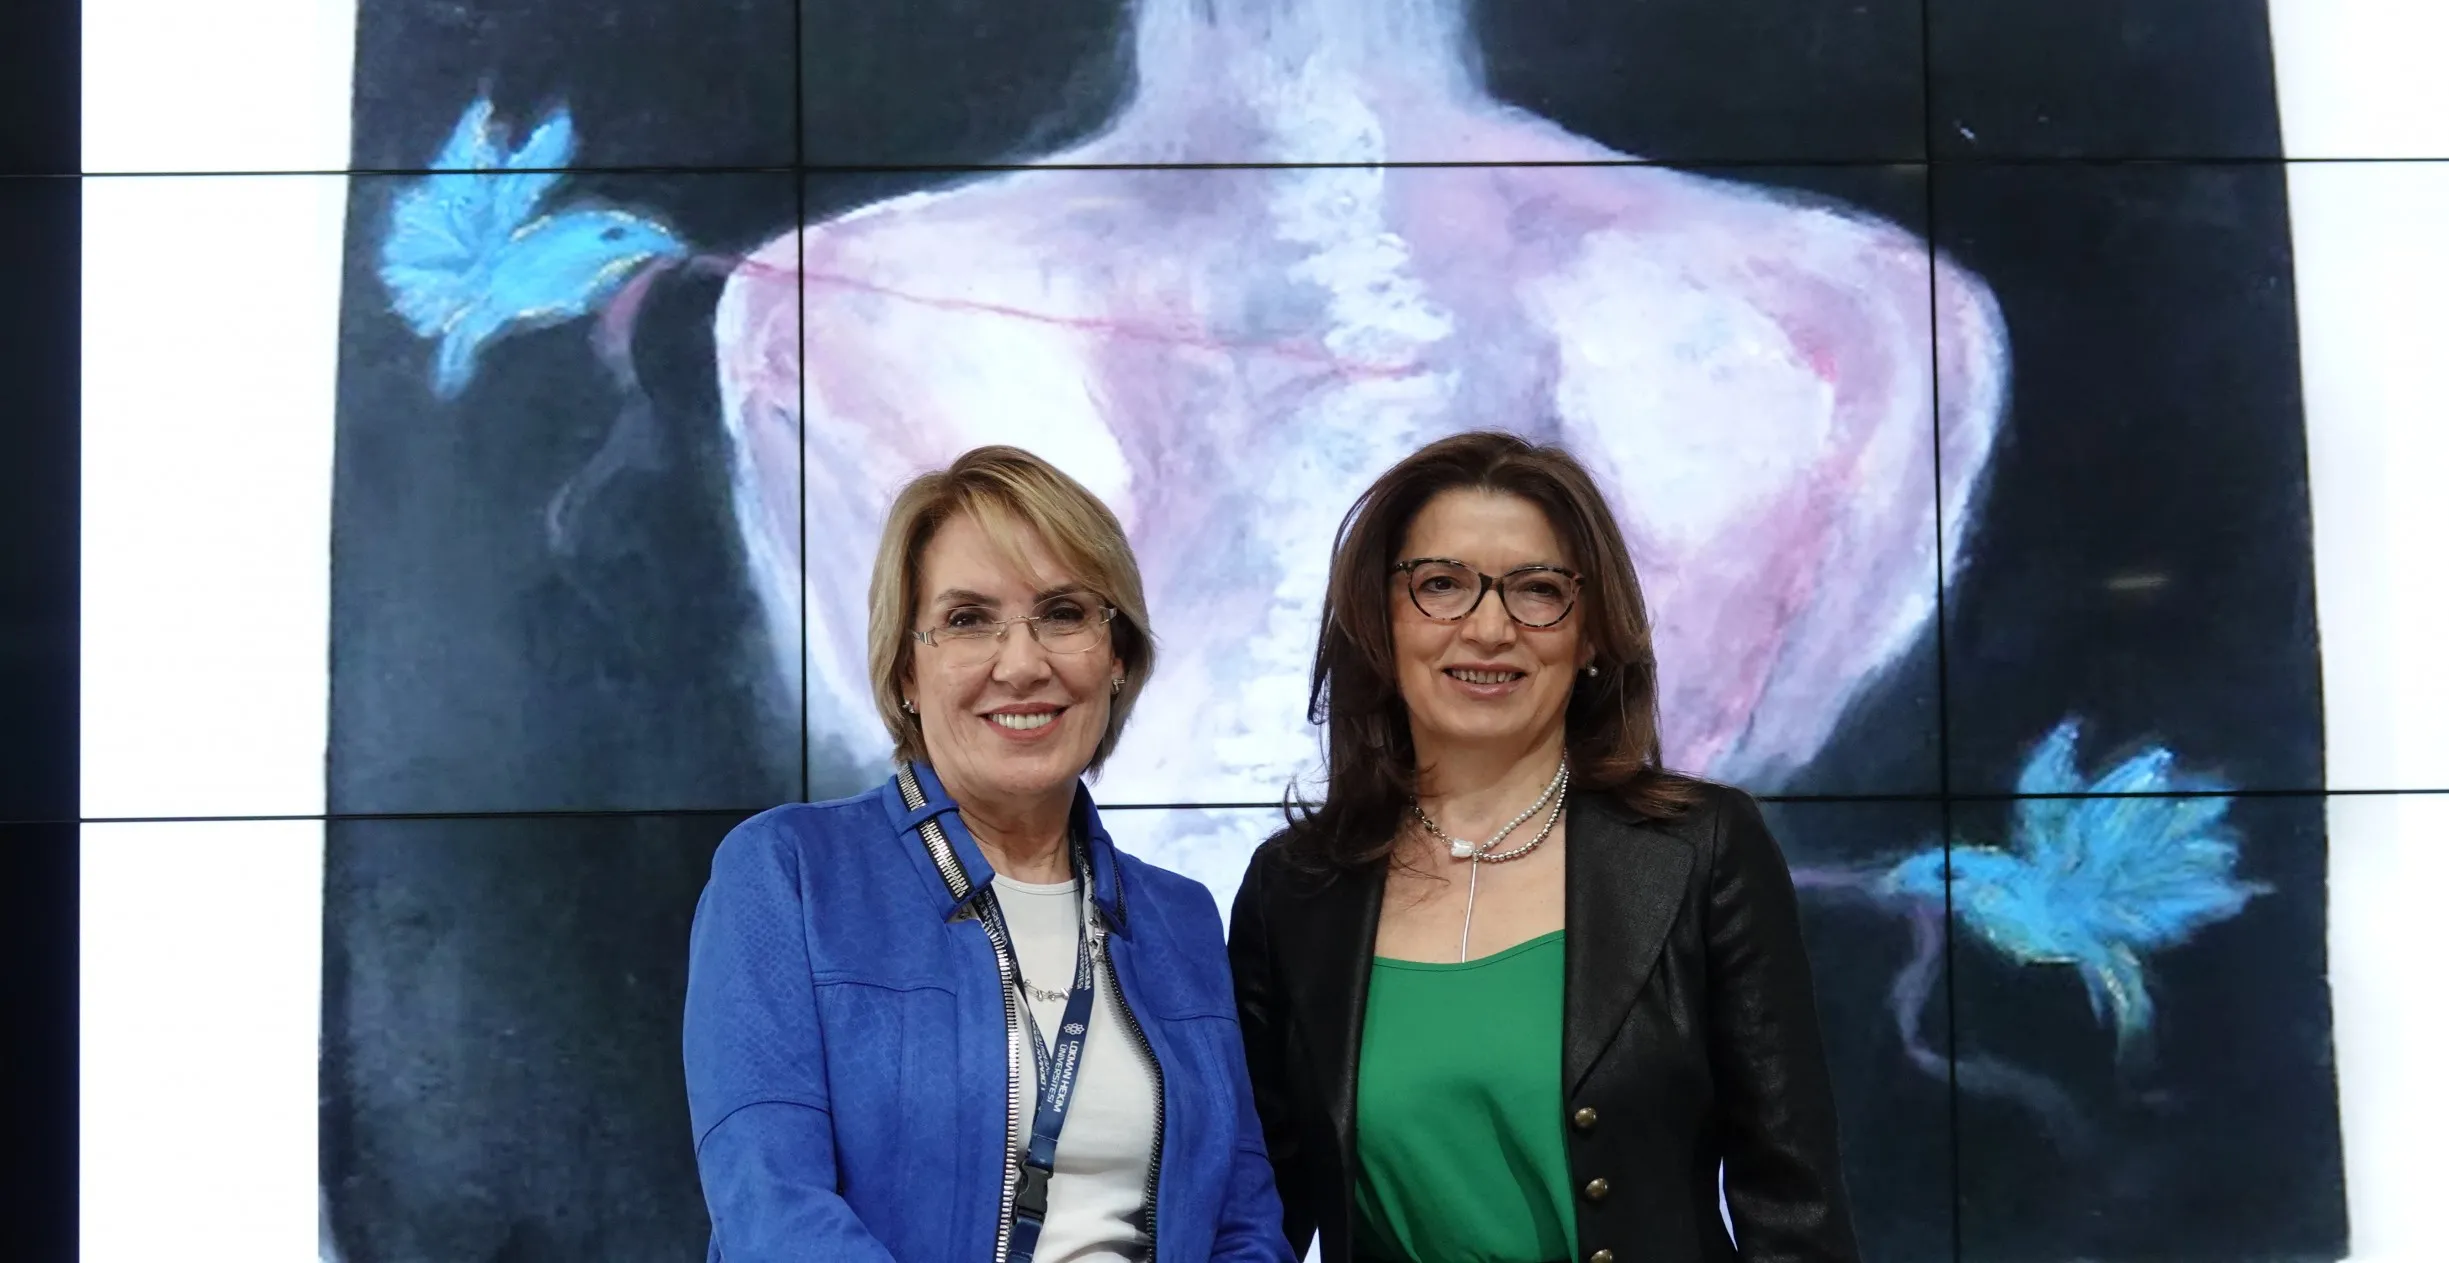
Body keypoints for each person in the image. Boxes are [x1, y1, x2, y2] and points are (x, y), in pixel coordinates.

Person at [1228, 431, 1860, 1263]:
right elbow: (1254, 1215)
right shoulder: (1294, 888)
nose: (1490, 628)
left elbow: (1796, 1210)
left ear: (1591, 633)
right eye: (1442, 584)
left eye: (1537, 590)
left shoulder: (1700, 850)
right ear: (1382, 620)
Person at [684, 445, 1291, 1263]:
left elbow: (1245, 1226)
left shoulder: (1180, 918)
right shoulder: (786, 874)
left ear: (1116, 657)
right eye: (969, 619)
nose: (1023, 662)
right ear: (907, 667)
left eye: (1064, 613)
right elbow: (771, 1208)